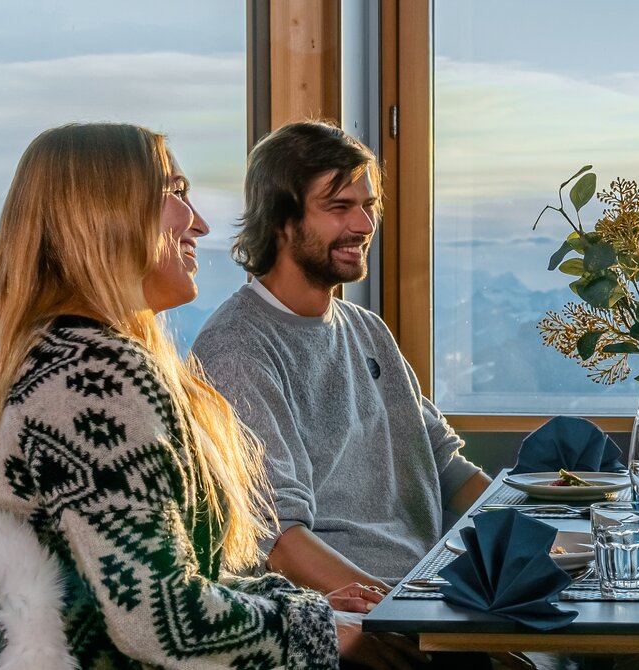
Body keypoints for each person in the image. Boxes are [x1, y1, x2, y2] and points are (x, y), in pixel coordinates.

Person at [0, 123, 405, 667]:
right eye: (175, 193)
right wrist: (328, 634)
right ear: (106, 216)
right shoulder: (91, 380)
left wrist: (309, 611)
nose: (199, 222)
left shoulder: (68, 360)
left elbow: (137, 589)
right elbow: (163, 623)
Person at [192, 121, 489, 593]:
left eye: (368, 206)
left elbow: (444, 466)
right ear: (281, 221)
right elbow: (278, 541)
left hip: (428, 591)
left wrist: (548, 538)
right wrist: (402, 617)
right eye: (340, 208)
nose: (365, 225)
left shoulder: (366, 329)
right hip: (352, 618)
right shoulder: (236, 347)